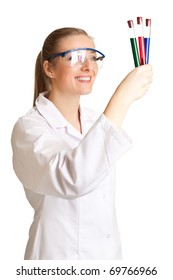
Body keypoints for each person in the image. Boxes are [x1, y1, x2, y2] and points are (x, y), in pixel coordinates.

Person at [11, 27, 153, 260]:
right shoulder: (29, 129)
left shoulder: (94, 121)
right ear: (49, 68)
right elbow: (72, 178)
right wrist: (122, 98)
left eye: (93, 57)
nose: (89, 67)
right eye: (76, 57)